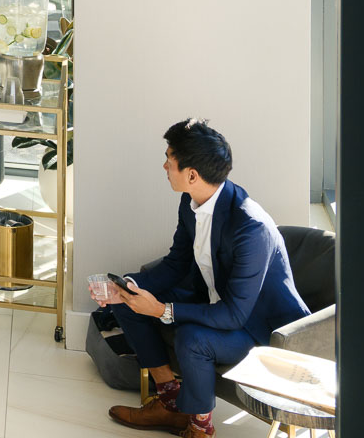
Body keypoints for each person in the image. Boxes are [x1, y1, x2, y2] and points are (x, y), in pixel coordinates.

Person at [94, 120, 311, 438]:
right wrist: (125, 287)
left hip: (260, 331)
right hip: (214, 301)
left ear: (192, 174)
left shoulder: (251, 229)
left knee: (192, 340)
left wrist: (163, 310)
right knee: (128, 302)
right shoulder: (192, 200)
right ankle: (170, 403)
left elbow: (235, 314)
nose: (164, 165)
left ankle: (200, 427)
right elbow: (176, 263)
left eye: (170, 158)